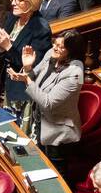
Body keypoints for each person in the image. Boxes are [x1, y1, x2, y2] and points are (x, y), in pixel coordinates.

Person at [7, 28, 86, 172]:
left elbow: (48, 102)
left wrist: (27, 81)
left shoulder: (75, 73)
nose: (55, 48)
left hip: (58, 132)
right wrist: (27, 67)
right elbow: (33, 76)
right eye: (55, 43)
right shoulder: (51, 54)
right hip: (39, 122)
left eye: (61, 47)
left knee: (57, 173)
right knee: (40, 166)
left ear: (71, 51)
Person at [0, 0, 53, 110]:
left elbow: (34, 66)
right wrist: (0, 47)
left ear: (31, 2)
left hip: (25, 90)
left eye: (18, 0)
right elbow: (2, 52)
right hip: (8, 84)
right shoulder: (12, 18)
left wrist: (8, 47)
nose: (13, 3)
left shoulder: (41, 28)